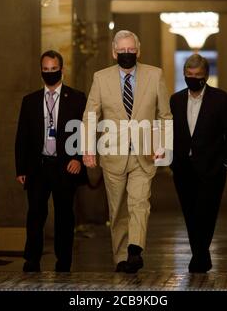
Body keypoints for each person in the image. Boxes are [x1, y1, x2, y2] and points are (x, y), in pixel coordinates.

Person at [82, 30, 172, 273]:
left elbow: (164, 115)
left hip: (144, 154)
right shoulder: (101, 78)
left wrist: (163, 146)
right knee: (118, 208)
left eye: (131, 50)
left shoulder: (155, 75)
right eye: (122, 51)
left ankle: (135, 249)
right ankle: (121, 257)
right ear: (114, 52)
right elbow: (91, 115)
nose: (126, 54)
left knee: (139, 203)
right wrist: (88, 148)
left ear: (138, 51)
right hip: (113, 154)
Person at [15, 50, 87, 273]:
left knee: (65, 216)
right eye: (45, 70)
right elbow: (22, 136)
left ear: (61, 70)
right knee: (35, 214)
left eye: (53, 69)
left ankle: (63, 260)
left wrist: (78, 158)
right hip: (38, 167)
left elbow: (85, 131)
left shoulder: (77, 98)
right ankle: (32, 259)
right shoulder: (30, 101)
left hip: (66, 166)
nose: (49, 73)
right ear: (41, 71)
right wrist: (21, 168)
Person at [170, 54, 227, 273]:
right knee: (190, 213)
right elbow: (169, 132)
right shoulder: (176, 100)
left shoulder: (221, 99)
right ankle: (201, 254)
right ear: (184, 74)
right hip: (182, 168)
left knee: (207, 213)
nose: (193, 78)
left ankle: (199, 256)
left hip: (212, 168)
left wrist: (222, 161)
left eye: (197, 75)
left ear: (206, 76)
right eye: (189, 75)